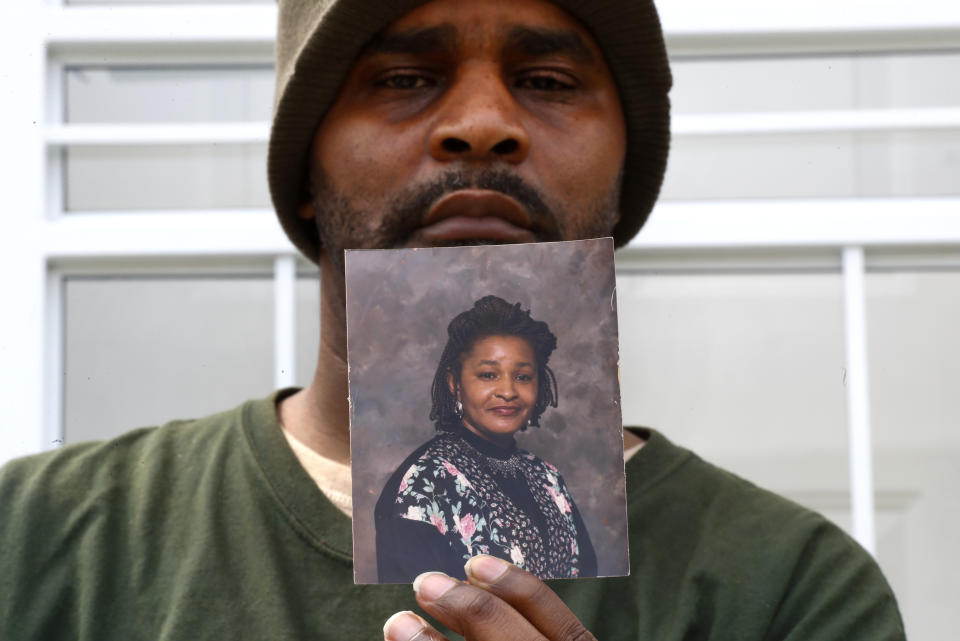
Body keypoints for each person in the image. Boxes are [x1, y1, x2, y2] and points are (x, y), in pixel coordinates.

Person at [0, 0, 906, 639]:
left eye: (548, 80)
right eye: (403, 77)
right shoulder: (35, 539)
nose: (481, 123)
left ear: (627, 171)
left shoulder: (792, 588)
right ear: (305, 168)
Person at [375, 295, 597, 582]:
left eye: (523, 377)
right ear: (454, 382)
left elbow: (589, 579)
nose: (508, 391)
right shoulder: (423, 484)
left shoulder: (548, 478)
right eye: (489, 374)